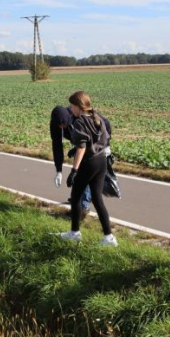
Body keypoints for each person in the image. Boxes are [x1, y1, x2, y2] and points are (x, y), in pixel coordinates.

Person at [58, 91, 117, 247]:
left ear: (78, 106)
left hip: (88, 163)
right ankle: (108, 237)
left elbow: (81, 148)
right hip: (101, 161)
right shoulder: (97, 118)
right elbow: (103, 141)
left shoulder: (80, 122)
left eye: (72, 105)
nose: (70, 109)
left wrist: (74, 171)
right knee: (97, 199)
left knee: (76, 197)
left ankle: (74, 233)